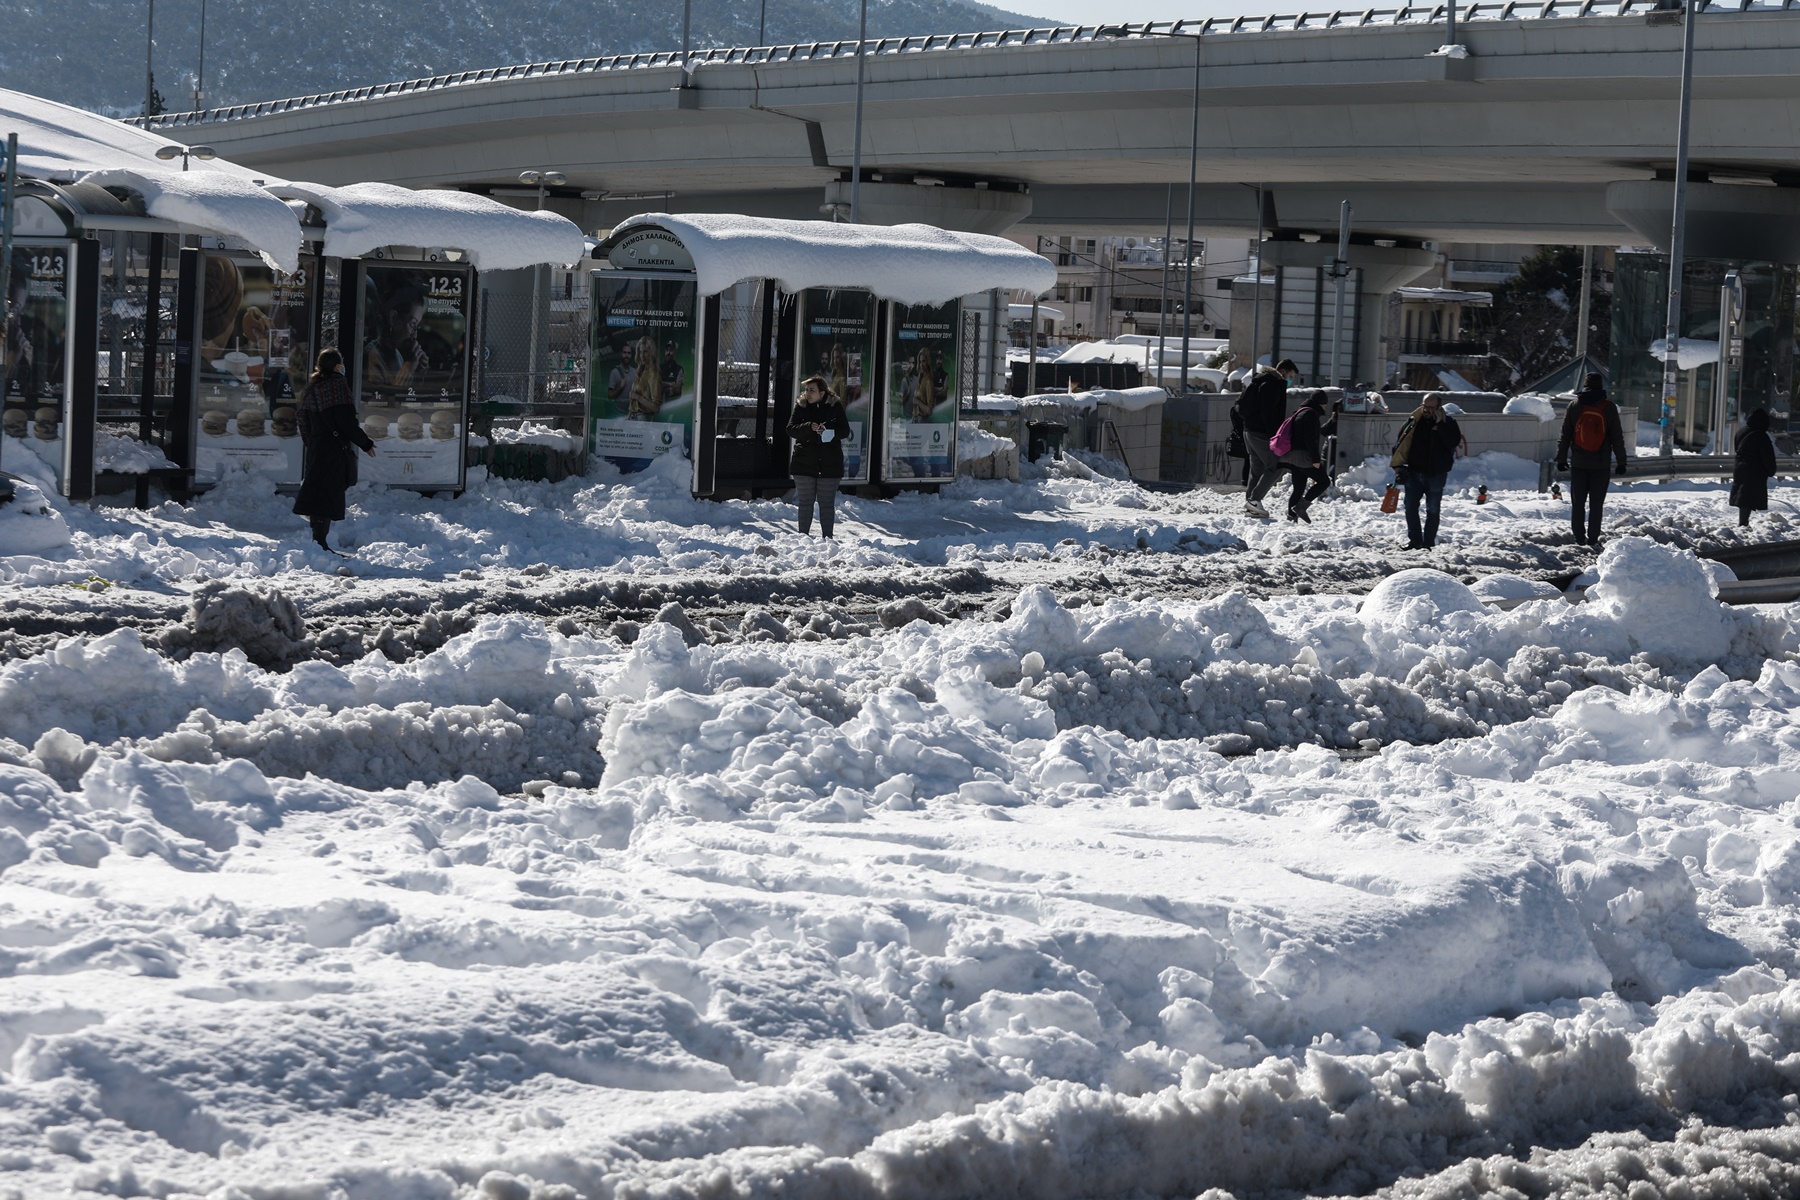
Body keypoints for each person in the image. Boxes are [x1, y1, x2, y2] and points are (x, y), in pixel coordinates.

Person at [292, 348, 376, 553]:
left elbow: (302, 419)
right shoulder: (338, 386)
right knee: (327, 495)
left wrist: (311, 443)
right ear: (338, 366)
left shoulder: (313, 388)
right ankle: (320, 543)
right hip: (333, 449)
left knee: (317, 494)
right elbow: (346, 421)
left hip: (316, 447)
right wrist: (365, 443)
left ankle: (317, 541)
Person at [1555, 372, 1628, 547]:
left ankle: (1579, 538)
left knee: (1578, 503)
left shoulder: (1574, 405)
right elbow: (1617, 437)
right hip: (1601, 464)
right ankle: (1593, 539)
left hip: (1579, 463)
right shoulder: (1608, 407)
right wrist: (1621, 461)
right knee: (1596, 505)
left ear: (1585, 385)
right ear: (1601, 386)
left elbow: (1565, 435)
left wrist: (1561, 458)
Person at [1393, 391, 1463, 549]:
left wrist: (1441, 425)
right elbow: (1400, 443)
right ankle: (1415, 541)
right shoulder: (1414, 421)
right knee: (1410, 508)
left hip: (1436, 474)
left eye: (1431, 407)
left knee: (1433, 510)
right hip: (1413, 472)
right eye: (1425, 406)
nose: (1427, 410)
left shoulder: (1449, 422)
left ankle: (1428, 543)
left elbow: (1453, 442)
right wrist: (1397, 467)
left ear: (1439, 407)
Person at [787, 374, 850, 539]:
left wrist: (829, 432)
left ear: (822, 393)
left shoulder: (834, 406)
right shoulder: (801, 407)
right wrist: (808, 427)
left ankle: (827, 538)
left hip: (830, 463)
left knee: (826, 504)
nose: (808, 394)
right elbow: (790, 429)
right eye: (806, 390)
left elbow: (844, 431)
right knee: (805, 503)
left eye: (812, 390)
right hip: (804, 462)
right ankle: (803, 538)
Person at [1238, 358, 1298, 517]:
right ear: (1283, 372)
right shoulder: (1273, 385)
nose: (1291, 380)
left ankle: (1251, 504)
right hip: (1261, 433)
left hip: (1248, 431)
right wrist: (1275, 436)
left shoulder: (1259, 381)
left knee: (1256, 469)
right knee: (1276, 465)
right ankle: (1254, 500)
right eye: (1290, 376)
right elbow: (1268, 413)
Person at [1276, 388, 1333, 523]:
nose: (1325, 407)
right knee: (1324, 481)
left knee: (1299, 488)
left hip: (1293, 456)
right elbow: (1310, 439)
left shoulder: (1300, 412)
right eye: (1325, 404)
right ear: (1320, 403)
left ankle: (1291, 518)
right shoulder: (1310, 414)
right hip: (1304, 456)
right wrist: (1315, 459)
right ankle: (1301, 507)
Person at [363, 285, 430, 391]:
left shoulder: (397, 355)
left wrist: (417, 374)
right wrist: (407, 369)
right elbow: (384, 402)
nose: (415, 335)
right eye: (413, 324)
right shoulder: (373, 355)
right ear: (393, 318)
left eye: (417, 327)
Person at [1731, 407, 1778, 529]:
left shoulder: (1741, 432)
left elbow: (1737, 448)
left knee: (1744, 494)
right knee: (1748, 496)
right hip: (1755, 470)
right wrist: (1771, 470)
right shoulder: (1761, 436)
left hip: (1740, 467)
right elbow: (1767, 456)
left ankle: (1743, 522)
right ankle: (1743, 523)